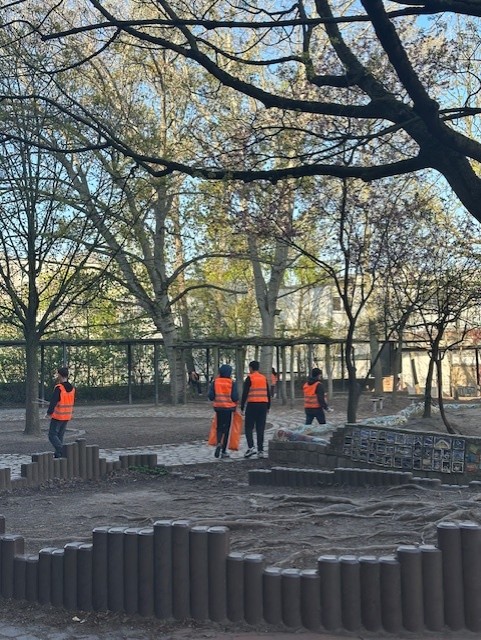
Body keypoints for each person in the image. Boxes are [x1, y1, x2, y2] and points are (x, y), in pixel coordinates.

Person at [241, 361, 271, 459]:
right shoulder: (263, 378)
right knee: (260, 428)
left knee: (248, 427)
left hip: (252, 405)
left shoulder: (250, 378)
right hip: (263, 405)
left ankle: (251, 447)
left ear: (251, 368)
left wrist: (242, 406)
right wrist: (268, 406)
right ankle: (260, 450)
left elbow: (245, 393)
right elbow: (268, 393)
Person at [208, 364, 239, 459]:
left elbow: (211, 396)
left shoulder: (215, 382)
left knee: (219, 427)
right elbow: (235, 397)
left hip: (218, 408)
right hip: (229, 408)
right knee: (227, 429)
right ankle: (224, 450)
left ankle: (218, 442)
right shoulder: (232, 383)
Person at [46, 366, 76, 458]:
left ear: (59, 375)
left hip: (58, 415)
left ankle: (62, 450)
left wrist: (49, 413)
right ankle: (58, 455)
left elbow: (53, 401)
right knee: (60, 436)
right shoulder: (72, 389)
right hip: (67, 415)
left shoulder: (59, 388)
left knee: (52, 435)